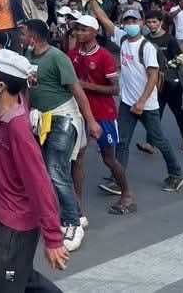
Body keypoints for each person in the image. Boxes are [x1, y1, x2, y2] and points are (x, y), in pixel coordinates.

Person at [0, 49, 68, 293]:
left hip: (15, 230)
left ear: (1, 84)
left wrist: (53, 238)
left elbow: (40, 184)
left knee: (1, 285)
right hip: (4, 216)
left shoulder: (17, 128)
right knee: (21, 277)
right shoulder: (4, 107)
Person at [85, 0, 183, 193]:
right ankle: (117, 179)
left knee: (158, 140)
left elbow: (152, 78)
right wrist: (92, 0)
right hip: (128, 102)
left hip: (146, 104)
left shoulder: (147, 47)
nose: (131, 23)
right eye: (127, 20)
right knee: (122, 141)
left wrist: (141, 102)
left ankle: (176, 174)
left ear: (140, 23)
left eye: (134, 20)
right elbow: (103, 20)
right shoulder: (122, 39)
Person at [22, 19, 101, 252]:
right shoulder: (28, 57)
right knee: (51, 170)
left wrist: (91, 121)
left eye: (23, 33)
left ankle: (72, 224)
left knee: (56, 171)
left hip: (63, 118)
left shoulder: (57, 57)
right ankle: (75, 212)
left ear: (33, 37)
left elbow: (77, 91)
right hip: (42, 120)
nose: (20, 36)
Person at [68, 15, 136, 216]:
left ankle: (126, 193)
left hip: (103, 114)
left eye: (83, 29)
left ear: (94, 32)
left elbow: (115, 89)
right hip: (80, 113)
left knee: (109, 159)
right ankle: (77, 203)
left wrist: (86, 86)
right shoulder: (72, 54)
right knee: (78, 158)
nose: (79, 33)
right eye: (77, 29)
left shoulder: (104, 56)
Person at [137, 9, 183, 152]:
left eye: (154, 22)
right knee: (154, 113)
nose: (151, 25)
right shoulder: (146, 39)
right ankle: (150, 144)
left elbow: (180, 60)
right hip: (154, 83)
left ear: (160, 22)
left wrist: (169, 65)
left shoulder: (170, 39)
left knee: (178, 110)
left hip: (171, 83)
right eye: (148, 22)